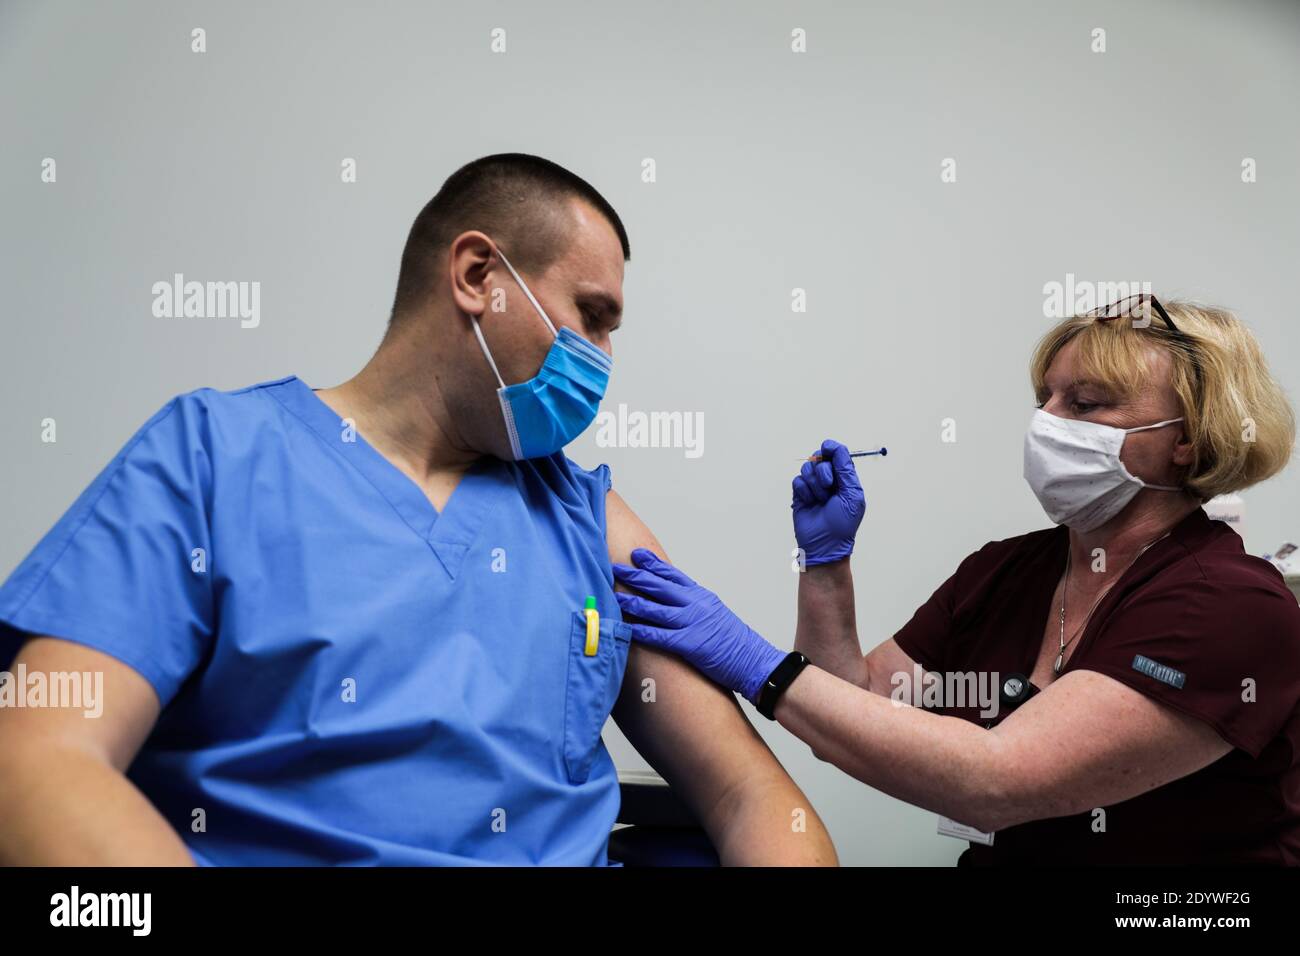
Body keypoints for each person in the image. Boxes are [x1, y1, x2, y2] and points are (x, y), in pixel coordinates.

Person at [0, 153, 835, 866]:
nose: (604, 361)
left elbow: (756, 801)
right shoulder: (215, 458)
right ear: (478, 278)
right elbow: (38, 763)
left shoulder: (590, 521)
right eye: (591, 317)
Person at [614, 295, 1300, 864]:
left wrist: (750, 659)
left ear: (1187, 438)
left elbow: (996, 782)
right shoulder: (1009, 571)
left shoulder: (1230, 605)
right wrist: (825, 565)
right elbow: (848, 708)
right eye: (1046, 398)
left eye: (1087, 404)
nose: (1048, 422)